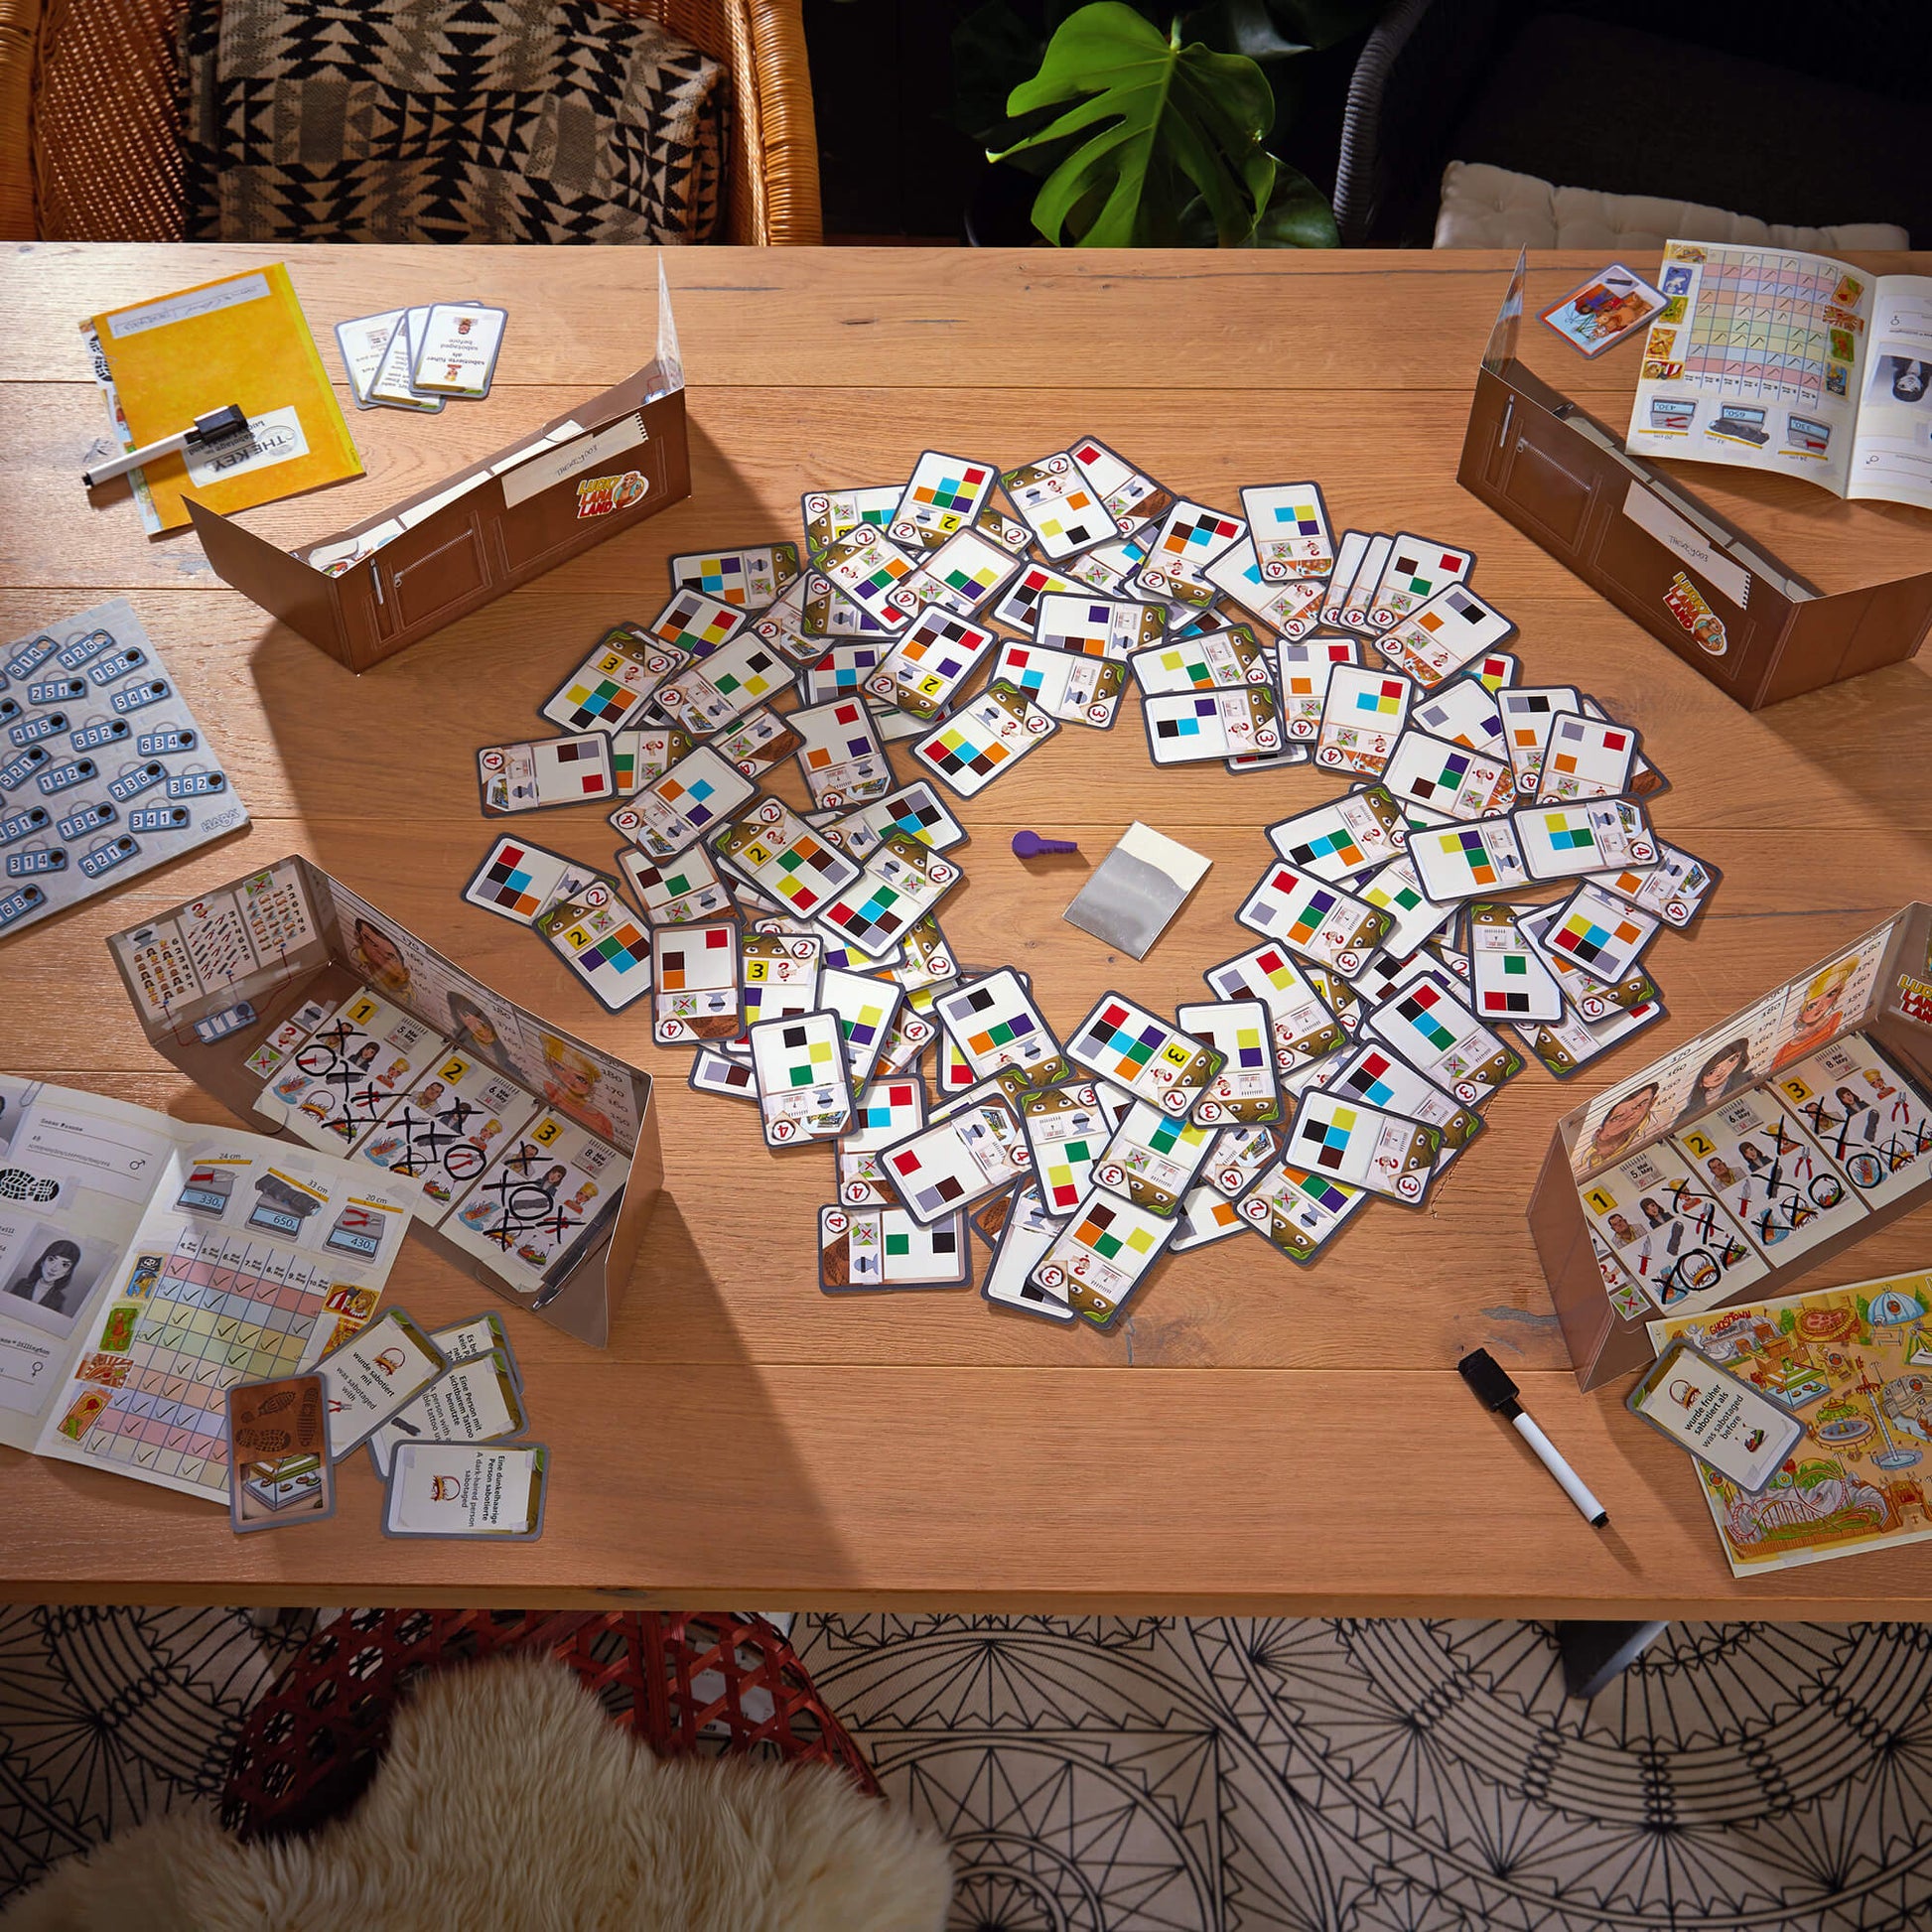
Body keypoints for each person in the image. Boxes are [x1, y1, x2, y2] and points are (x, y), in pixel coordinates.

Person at [540, 1035, 615, 1140]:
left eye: (580, 1078)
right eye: (559, 1067)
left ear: (591, 1085)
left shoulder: (603, 1123)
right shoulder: (547, 1088)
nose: (568, 1079)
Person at [1675, 1038, 1754, 1126]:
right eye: (1711, 1072)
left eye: (1731, 1060)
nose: (1722, 1071)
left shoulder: (1747, 1081)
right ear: (1699, 1081)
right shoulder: (1687, 1115)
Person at [1587, 1082, 1660, 1169]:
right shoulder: (1586, 1154)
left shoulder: (1662, 1122)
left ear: (1652, 1103)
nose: (1629, 1116)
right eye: (1617, 1117)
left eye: (1638, 1106)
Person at [7, 1239, 83, 1315]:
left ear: (68, 1272)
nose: (54, 1268)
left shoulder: (59, 1299)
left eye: (64, 1265)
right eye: (51, 1259)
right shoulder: (22, 1284)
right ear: (42, 1261)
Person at [350, 916, 413, 1003]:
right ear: (358, 936)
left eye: (391, 957)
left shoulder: (405, 991)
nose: (380, 954)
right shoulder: (356, 959)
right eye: (372, 943)